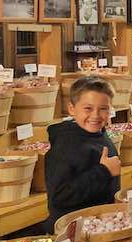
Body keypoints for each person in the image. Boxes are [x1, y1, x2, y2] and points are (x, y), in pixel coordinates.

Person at [44, 75, 120, 232]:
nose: (95, 115)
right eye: (88, 108)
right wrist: (103, 171)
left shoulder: (100, 134)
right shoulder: (65, 145)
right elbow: (60, 197)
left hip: (101, 225)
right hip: (73, 231)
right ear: (72, 109)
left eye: (103, 109)